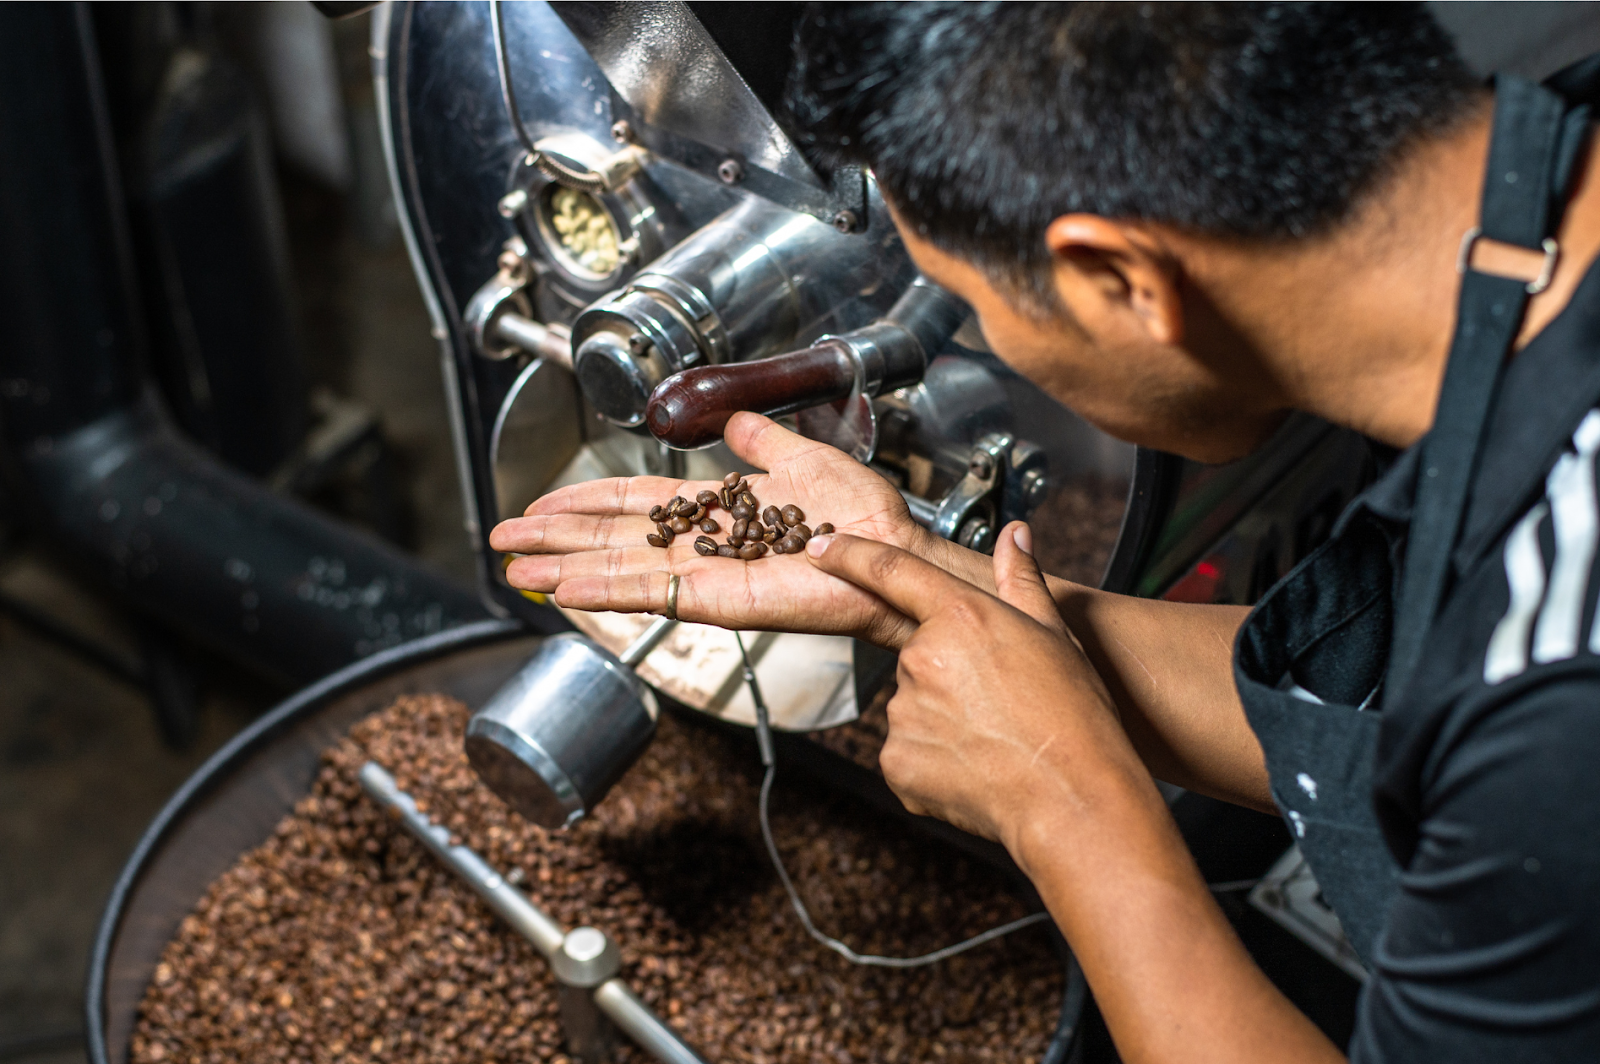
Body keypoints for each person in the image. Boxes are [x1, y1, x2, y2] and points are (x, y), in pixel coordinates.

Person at [490, 4, 1600, 1060]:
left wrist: (1063, 799)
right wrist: (923, 581)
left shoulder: (1553, 692)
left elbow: (1513, 733)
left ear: (1117, 278)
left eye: (975, 300)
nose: (1003, 348)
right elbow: (1413, 706)